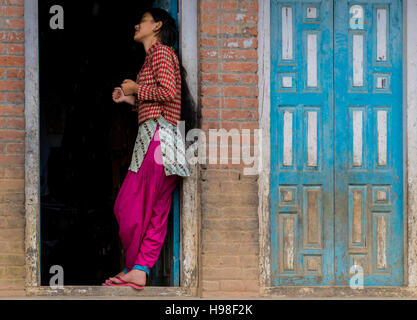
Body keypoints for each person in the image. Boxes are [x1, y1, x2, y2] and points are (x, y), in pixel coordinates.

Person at [103, 8, 194, 290]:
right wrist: (129, 100)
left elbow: (166, 92)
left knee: (126, 206)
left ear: (156, 26)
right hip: (168, 140)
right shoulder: (154, 58)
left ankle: (133, 266)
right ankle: (140, 270)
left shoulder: (161, 54)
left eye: (141, 21)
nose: (136, 25)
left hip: (156, 138)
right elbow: (161, 100)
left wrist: (136, 88)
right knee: (156, 212)